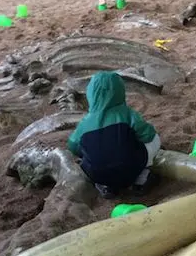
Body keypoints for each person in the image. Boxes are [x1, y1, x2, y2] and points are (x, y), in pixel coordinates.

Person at [67, 71, 161, 199]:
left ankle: (105, 185)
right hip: (131, 166)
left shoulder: (84, 123)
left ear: (91, 94)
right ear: (120, 91)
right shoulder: (128, 114)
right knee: (154, 140)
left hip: (98, 173)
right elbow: (148, 135)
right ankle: (141, 178)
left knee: (85, 159)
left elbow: (72, 145)